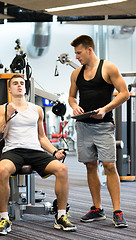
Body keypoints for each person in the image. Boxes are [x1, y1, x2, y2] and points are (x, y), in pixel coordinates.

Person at [0, 74, 77, 235]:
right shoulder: (2, 109)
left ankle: (61, 216)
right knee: (2, 170)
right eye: (15, 83)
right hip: (13, 151)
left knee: (62, 170)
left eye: (22, 83)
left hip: (35, 150)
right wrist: (8, 116)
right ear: (9, 89)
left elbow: (42, 137)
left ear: (25, 88)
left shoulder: (36, 109)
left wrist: (54, 151)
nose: (19, 85)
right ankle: (4, 218)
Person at [68, 35, 129, 228]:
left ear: (89, 50)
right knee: (90, 166)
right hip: (83, 126)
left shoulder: (108, 68)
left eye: (78, 53)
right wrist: (74, 106)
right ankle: (97, 208)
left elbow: (125, 93)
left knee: (110, 166)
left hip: (104, 126)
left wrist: (105, 109)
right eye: (75, 53)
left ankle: (117, 211)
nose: (76, 57)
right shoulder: (76, 73)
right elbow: (71, 96)